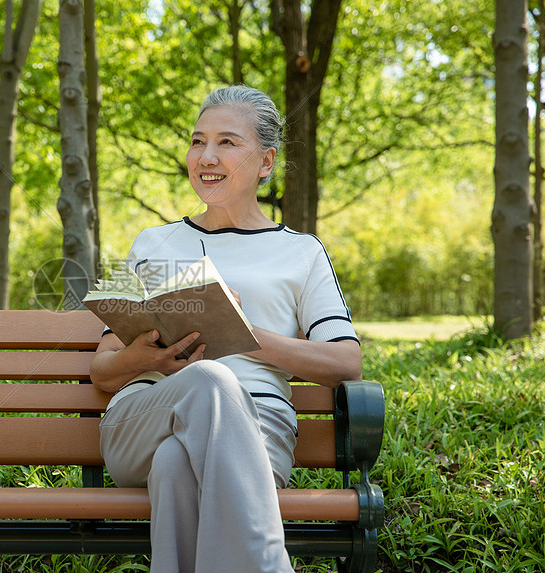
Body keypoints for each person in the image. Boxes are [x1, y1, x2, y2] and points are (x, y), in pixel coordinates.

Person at [89, 85, 362, 573]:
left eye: (227, 143)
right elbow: (103, 374)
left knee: (176, 464)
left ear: (265, 162)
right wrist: (147, 359)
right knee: (212, 380)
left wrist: (243, 333)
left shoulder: (302, 252)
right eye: (197, 141)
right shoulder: (154, 242)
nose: (206, 156)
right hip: (143, 420)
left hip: (259, 430)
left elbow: (345, 363)